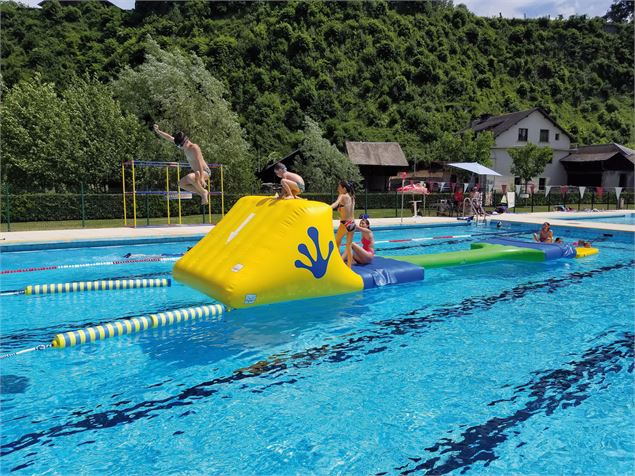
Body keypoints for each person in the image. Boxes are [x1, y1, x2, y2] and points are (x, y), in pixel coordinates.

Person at [153, 125, 210, 205]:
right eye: (178, 146)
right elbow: (169, 138)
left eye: (180, 146)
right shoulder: (184, 145)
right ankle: (202, 192)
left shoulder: (194, 147)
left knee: (190, 177)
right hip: (197, 172)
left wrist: (201, 178)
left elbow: (199, 162)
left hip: (205, 171)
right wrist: (158, 131)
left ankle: (203, 192)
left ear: (186, 141)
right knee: (181, 184)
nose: (180, 148)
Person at [331, 180, 356, 268]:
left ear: (344, 188)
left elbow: (335, 204)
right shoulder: (352, 197)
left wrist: (327, 208)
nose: (338, 189)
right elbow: (346, 208)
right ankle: (349, 266)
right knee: (348, 246)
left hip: (345, 223)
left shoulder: (342, 196)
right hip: (352, 223)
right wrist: (341, 208)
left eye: (339, 187)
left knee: (336, 242)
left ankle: (338, 264)